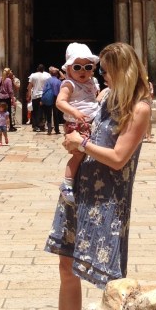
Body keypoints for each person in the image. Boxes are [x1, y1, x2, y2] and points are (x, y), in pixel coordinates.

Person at [45, 41, 152, 310]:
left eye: (105, 70)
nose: (101, 76)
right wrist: (76, 143)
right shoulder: (105, 99)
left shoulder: (139, 109)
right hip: (80, 192)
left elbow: (118, 158)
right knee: (66, 268)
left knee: (111, 275)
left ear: (123, 72)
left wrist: (83, 144)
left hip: (107, 200)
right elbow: (90, 134)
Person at [54, 43, 101, 203]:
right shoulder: (69, 84)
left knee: (93, 152)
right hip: (76, 125)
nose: (83, 71)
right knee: (79, 153)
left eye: (87, 66)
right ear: (68, 69)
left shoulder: (92, 81)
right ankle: (67, 183)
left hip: (92, 122)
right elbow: (60, 102)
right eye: (77, 67)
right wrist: (74, 112)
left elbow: (94, 98)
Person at [27, 63, 50, 132]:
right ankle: (42, 125)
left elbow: (29, 86)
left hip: (35, 95)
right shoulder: (47, 76)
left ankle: (35, 126)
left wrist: (29, 95)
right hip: (43, 95)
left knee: (35, 111)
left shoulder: (33, 75)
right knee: (43, 111)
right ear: (43, 70)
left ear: (37, 69)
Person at [41, 66, 63, 136]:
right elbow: (61, 91)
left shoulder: (48, 81)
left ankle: (49, 129)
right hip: (56, 98)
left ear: (50, 74)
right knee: (56, 114)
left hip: (49, 97)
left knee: (48, 114)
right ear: (57, 74)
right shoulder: (59, 81)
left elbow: (44, 90)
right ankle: (57, 129)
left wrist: (42, 99)